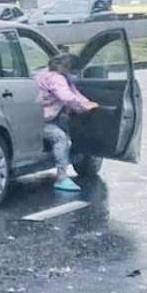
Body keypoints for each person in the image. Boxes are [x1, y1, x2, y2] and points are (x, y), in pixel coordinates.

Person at [35, 53, 99, 192]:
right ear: (68, 68)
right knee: (60, 138)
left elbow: (73, 92)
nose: (75, 75)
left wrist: (85, 102)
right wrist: (83, 107)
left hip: (39, 117)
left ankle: (65, 160)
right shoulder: (56, 78)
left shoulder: (46, 73)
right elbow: (67, 97)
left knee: (66, 126)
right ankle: (62, 178)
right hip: (40, 122)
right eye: (75, 71)